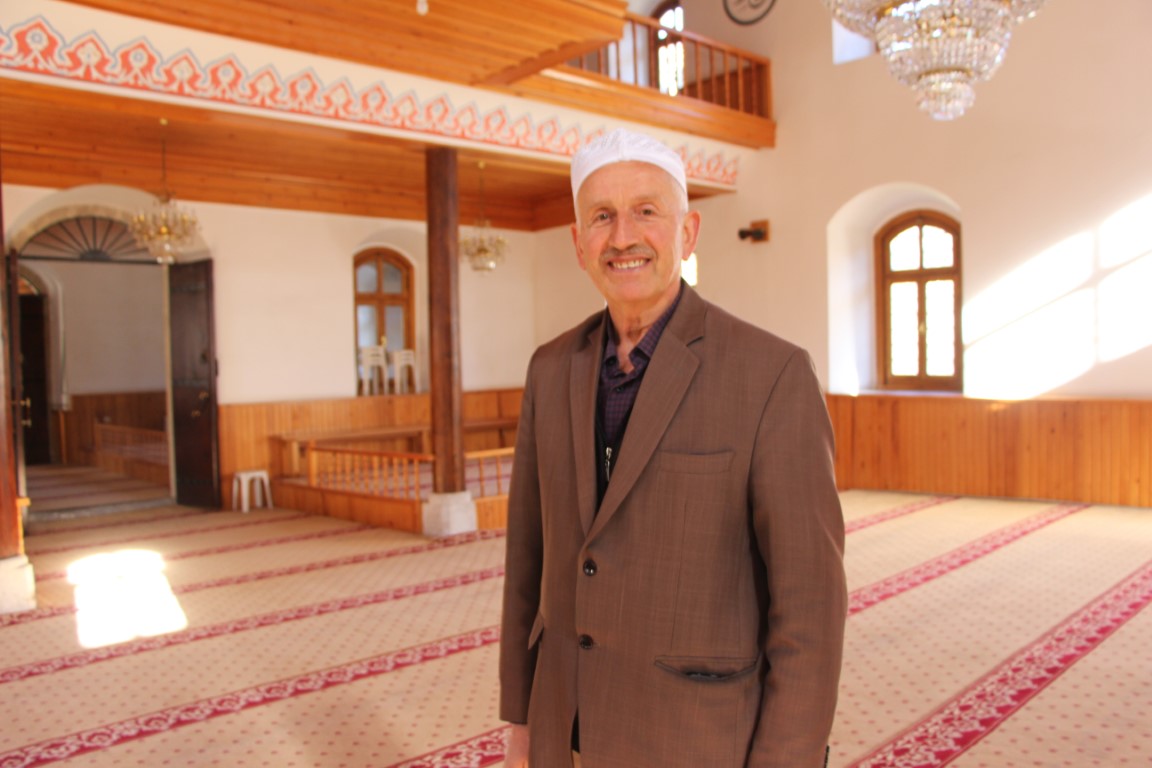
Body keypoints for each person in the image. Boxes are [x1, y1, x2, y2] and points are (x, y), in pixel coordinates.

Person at [499, 128, 847, 767]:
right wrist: (522, 719)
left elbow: (810, 608)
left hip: (698, 736)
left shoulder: (771, 374)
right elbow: (528, 560)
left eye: (646, 212)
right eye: (602, 217)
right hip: (564, 726)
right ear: (578, 244)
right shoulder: (549, 368)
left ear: (688, 233)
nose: (623, 236)